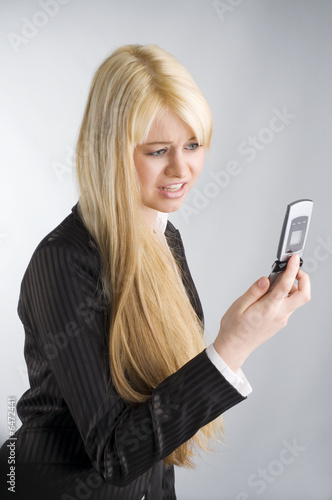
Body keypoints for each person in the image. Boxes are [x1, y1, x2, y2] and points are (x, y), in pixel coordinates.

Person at [0, 44, 310, 500]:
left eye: (192, 145)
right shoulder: (62, 260)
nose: (181, 169)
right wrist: (234, 345)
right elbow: (115, 455)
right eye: (158, 151)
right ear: (111, 152)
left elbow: (156, 427)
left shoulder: (167, 239)